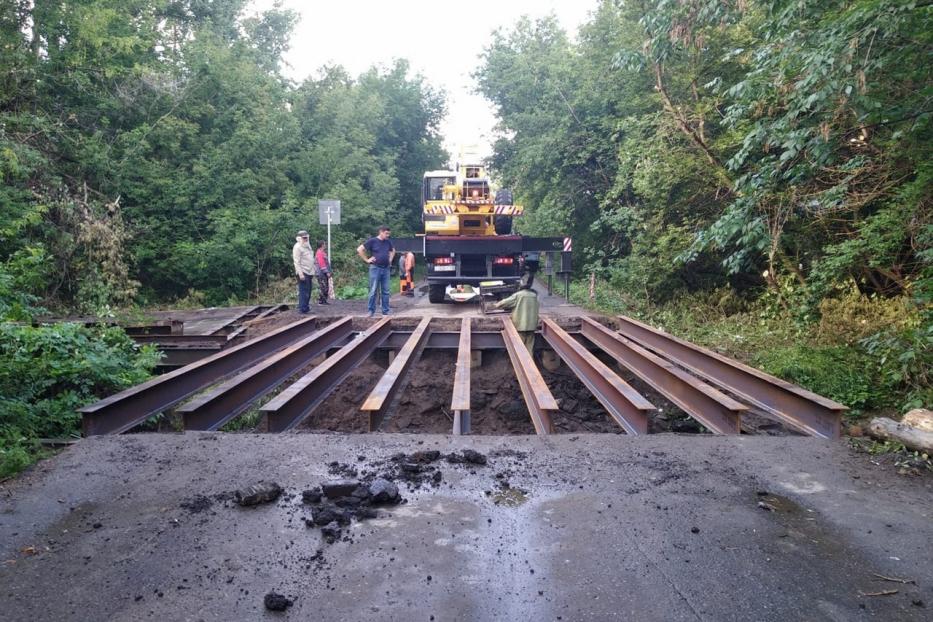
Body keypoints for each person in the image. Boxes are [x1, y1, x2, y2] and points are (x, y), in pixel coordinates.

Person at [357, 225, 395, 317]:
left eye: (388, 234)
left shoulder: (388, 242)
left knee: (386, 291)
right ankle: (371, 311)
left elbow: (393, 250)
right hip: (375, 268)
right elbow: (359, 249)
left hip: (385, 268)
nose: (387, 235)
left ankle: (385, 310)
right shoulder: (373, 241)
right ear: (380, 232)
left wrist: (390, 259)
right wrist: (367, 260)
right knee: (373, 290)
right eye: (386, 233)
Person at [494, 283, 539, 353]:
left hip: (520, 326)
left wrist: (495, 304)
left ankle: (521, 362)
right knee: (529, 348)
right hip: (532, 326)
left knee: (520, 348)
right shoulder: (534, 295)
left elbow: (503, 303)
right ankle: (530, 363)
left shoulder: (518, 295)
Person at [292, 230, 314, 314]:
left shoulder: (307, 245)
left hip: (309, 271)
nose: (306, 239)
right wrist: (300, 274)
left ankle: (306, 306)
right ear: (300, 238)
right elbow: (296, 262)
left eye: (307, 237)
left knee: (308, 290)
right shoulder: (297, 247)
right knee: (303, 291)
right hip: (303, 272)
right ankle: (302, 308)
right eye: (304, 238)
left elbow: (310, 258)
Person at [314, 240, 330, 305]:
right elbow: (322, 264)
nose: (325, 245)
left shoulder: (322, 252)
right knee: (323, 286)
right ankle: (321, 301)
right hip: (321, 273)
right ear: (322, 245)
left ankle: (323, 300)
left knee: (325, 286)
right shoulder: (319, 253)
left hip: (322, 273)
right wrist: (327, 272)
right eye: (325, 244)